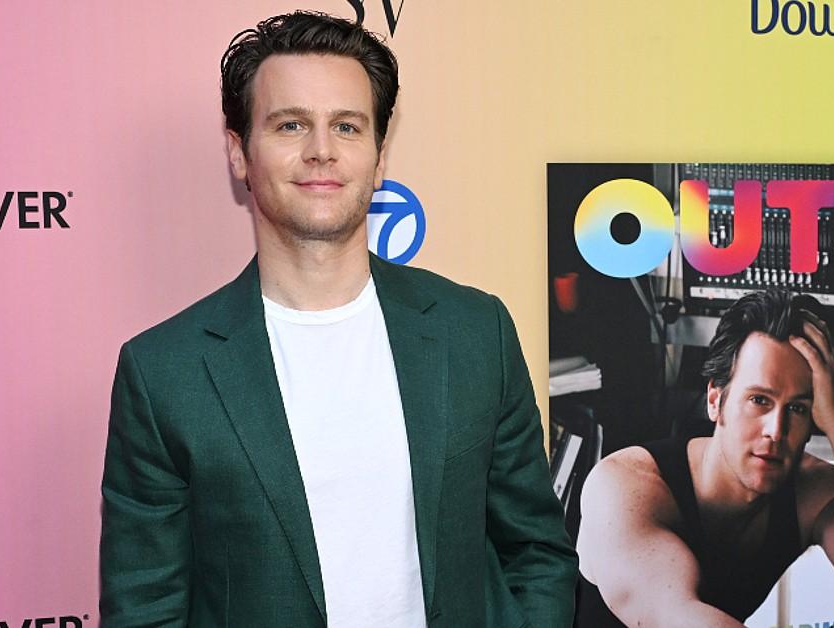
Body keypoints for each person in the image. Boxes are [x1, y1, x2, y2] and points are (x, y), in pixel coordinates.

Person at [98, 10, 577, 628]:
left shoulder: (475, 332)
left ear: (378, 157)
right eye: (290, 124)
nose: (321, 150)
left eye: (347, 126)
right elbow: (144, 608)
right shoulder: (165, 374)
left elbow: (536, 551)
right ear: (240, 153)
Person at [576, 290, 834, 627]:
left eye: (797, 408)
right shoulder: (622, 486)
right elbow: (676, 616)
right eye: (759, 400)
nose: (776, 430)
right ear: (715, 401)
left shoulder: (810, 493)